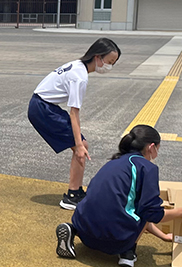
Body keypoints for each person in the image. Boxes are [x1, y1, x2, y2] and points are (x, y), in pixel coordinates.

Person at [55, 125, 182, 267]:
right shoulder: (147, 168)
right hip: (114, 241)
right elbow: (151, 213)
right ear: (151, 147)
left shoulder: (114, 162)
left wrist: (162, 236)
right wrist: (181, 212)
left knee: (123, 204)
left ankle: (71, 230)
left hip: (83, 230)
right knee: (144, 207)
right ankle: (127, 252)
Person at [29, 37, 120, 210]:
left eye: (113, 63)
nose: (109, 66)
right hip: (42, 109)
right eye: (109, 62)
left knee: (81, 145)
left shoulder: (78, 66)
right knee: (82, 146)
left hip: (43, 105)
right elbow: (74, 113)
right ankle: (72, 195)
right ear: (97, 57)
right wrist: (78, 144)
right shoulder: (80, 78)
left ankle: (75, 191)